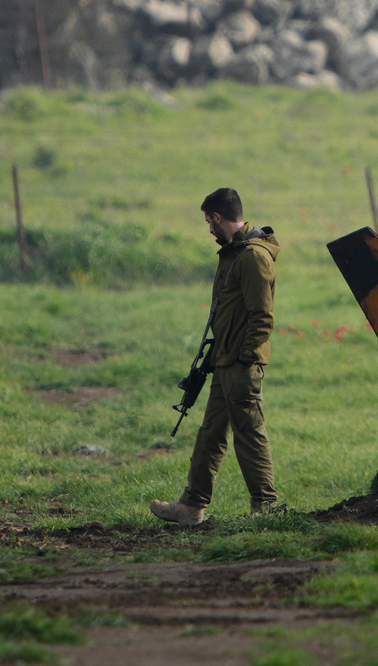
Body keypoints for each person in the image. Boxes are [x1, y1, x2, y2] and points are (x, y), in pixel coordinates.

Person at [150, 188, 280, 525]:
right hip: (224, 361)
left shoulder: (253, 256)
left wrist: (244, 357)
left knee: (249, 434)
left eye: (210, 221)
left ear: (219, 218)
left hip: (240, 364)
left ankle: (266, 509)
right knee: (210, 434)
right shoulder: (235, 253)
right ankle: (191, 506)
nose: (209, 229)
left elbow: (262, 316)